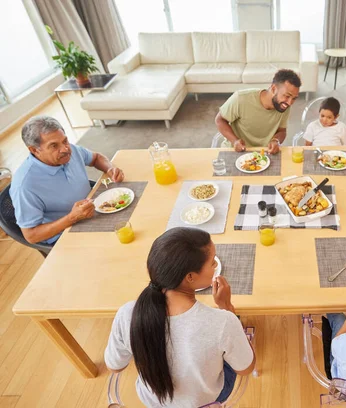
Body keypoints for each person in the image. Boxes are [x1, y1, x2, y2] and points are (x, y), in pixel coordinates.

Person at [105, 228, 255, 408]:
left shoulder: (126, 313)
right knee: (232, 347)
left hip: (154, 401)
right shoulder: (222, 322)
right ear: (190, 277)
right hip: (204, 400)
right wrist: (228, 308)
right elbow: (246, 368)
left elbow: (115, 366)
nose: (216, 266)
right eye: (212, 262)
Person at [9, 116, 124, 245]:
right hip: (66, 234)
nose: (65, 149)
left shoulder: (70, 150)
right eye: (54, 146)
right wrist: (72, 218)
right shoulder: (24, 186)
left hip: (96, 209)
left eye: (65, 141)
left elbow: (96, 158)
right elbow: (31, 235)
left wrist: (110, 168)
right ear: (34, 150)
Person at [215, 69, 302, 154]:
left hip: (263, 154)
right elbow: (220, 120)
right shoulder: (241, 98)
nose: (290, 102)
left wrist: (276, 140)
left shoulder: (283, 106)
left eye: (294, 98)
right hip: (235, 151)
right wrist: (234, 141)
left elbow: (282, 131)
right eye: (287, 96)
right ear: (273, 88)